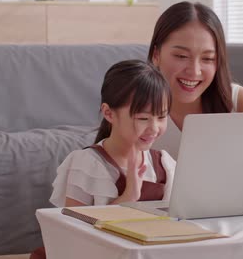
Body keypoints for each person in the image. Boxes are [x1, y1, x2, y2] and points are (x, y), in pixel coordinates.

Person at [49, 59, 176, 207]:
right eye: (143, 118)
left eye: (162, 117)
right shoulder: (86, 164)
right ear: (108, 113)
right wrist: (130, 196)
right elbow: (73, 227)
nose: (154, 128)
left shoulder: (164, 164)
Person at [148, 1, 243, 157]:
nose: (194, 71)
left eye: (208, 59)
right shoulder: (134, 105)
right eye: (181, 56)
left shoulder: (242, 103)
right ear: (156, 55)